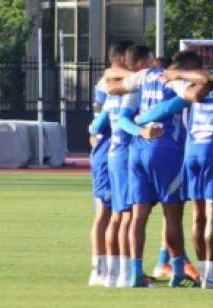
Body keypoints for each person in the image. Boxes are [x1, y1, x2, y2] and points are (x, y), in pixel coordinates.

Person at [105, 45, 191, 287]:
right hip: (165, 150)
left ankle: (135, 274)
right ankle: (177, 274)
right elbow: (191, 95)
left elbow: (122, 118)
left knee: (137, 216)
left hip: (137, 150)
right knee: (172, 214)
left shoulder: (140, 79)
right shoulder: (171, 80)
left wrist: (141, 128)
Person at [160, 51, 213, 289]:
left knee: (198, 214)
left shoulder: (184, 89)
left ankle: (204, 274)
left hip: (192, 152)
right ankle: (212, 277)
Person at [87, 40, 131, 286]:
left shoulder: (114, 83)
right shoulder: (110, 84)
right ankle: (101, 269)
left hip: (110, 150)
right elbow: (99, 123)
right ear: (124, 59)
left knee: (114, 212)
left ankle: (111, 268)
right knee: (107, 213)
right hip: (107, 151)